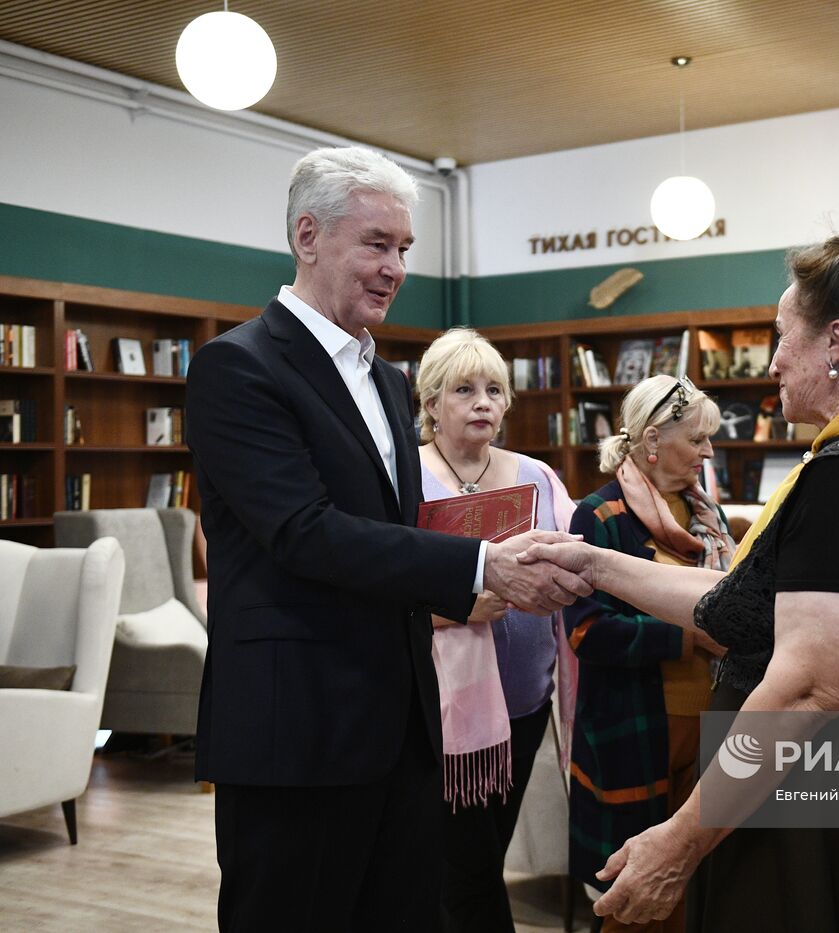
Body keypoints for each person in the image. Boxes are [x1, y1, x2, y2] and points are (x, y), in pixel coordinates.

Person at [523, 225, 839, 932]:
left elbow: (808, 686)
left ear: (836, 343)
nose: (773, 361)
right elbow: (744, 604)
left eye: (784, 336)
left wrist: (678, 840)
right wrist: (591, 562)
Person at [185, 145, 589, 931]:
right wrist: (483, 564)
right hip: (296, 734)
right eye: (376, 243)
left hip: (404, 731)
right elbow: (304, 533)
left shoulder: (387, 378)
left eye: (404, 248)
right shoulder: (238, 368)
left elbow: (397, 534)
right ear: (308, 235)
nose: (395, 267)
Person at [415, 327, 577, 932]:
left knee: (481, 859)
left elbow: (576, 558)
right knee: (469, 870)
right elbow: (376, 589)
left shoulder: (535, 476)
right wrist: (457, 604)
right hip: (441, 710)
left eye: (494, 390)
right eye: (464, 389)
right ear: (431, 404)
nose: (483, 402)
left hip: (527, 701)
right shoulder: (406, 477)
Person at [564, 373, 734, 933]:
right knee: (634, 896)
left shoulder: (708, 517)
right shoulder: (599, 516)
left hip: (712, 729)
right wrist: (688, 636)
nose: (709, 451)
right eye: (698, 438)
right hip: (634, 731)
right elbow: (586, 632)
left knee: (696, 882)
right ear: (654, 440)